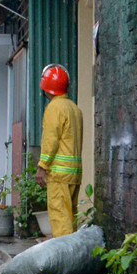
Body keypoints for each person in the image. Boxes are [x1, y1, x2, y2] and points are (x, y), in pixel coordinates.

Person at [37, 64, 83, 237]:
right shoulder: (74, 108)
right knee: (71, 219)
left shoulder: (54, 108)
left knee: (61, 221)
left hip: (59, 175)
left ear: (46, 88)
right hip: (74, 174)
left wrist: (42, 167)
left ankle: (65, 262)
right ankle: (74, 259)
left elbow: (51, 140)